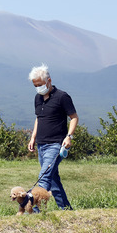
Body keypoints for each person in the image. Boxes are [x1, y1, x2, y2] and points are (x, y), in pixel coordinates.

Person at [27, 64, 78, 210]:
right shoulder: (38, 98)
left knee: (43, 177)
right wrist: (33, 138)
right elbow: (39, 118)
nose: (38, 88)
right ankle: (67, 210)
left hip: (56, 145)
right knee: (53, 180)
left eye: (40, 84)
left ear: (49, 81)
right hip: (41, 145)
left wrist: (69, 136)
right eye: (35, 85)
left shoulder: (62, 97)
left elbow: (74, 117)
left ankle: (32, 210)